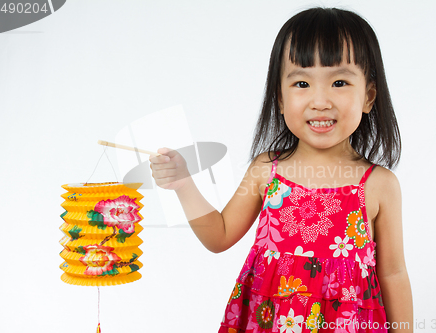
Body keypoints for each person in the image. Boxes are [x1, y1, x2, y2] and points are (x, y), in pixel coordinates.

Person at [150, 7, 412, 332]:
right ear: (281, 98)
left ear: (368, 96)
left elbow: (393, 273)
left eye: (339, 82)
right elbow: (218, 236)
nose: (320, 100)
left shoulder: (379, 184)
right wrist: (183, 184)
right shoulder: (266, 171)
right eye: (302, 83)